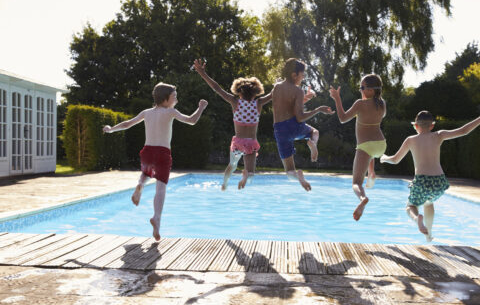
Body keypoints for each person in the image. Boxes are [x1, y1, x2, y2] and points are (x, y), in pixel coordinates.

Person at [103, 83, 207, 241]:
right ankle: (157, 218)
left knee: (147, 171)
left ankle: (140, 184)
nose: (176, 99)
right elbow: (191, 121)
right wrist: (201, 108)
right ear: (165, 99)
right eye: (174, 96)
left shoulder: (146, 112)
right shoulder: (171, 112)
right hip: (163, 153)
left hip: (147, 151)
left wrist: (111, 129)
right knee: (161, 188)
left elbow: (127, 124)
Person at [380, 107, 480, 241]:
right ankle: (428, 234)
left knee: (410, 206)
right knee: (428, 202)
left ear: (416, 126)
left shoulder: (410, 140)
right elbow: (464, 131)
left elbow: (395, 160)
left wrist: (385, 158)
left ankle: (417, 218)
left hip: (421, 181)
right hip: (439, 182)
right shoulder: (439, 135)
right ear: (432, 125)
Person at [193, 58, 272, 190]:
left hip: (238, 143)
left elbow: (216, 88)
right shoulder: (259, 103)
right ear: (256, 91)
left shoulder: (235, 102)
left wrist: (202, 73)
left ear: (239, 91)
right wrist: (279, 84)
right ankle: (246, 176)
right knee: (251, 174)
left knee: (232, 165)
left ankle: (225, 183)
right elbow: (273, 94)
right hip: (251, 143)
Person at [329, 74, 386, 221]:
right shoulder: (382, 104)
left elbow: (342, 118)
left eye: (362, 88)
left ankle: (363, 198)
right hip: (381, 145)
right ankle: (371, 172)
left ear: (371, 90)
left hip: (366, 146)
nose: (360, 90)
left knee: (356, 183)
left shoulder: (360, 104)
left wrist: (337, 98)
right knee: (371, 154)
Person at [272, 58, 334, 191]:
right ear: (294, 75)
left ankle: (298, 176)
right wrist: (318, 110)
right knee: (314, 132)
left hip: (280, 130)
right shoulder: (297, 90)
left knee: (289, 172)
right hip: (294, 127)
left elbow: (287, 108)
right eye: (302, 74)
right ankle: (313, 144)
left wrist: (305, 98)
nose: (304, 77)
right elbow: (299, 117)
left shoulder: (276, 87)